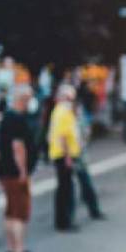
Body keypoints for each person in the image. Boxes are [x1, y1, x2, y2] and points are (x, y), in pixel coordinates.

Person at [0, 86, 40, 252]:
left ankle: (12, 249)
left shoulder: (8, 117)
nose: (30, 102)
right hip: (14, 173)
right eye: (28, 98)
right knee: (19, 212)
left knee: (10, 210)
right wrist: (22, 171)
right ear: (22, 99)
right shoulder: (17, 119)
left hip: (6, 170)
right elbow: (18, 147)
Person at [47, 85, 82, 231]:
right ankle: (64, 222)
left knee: (64, 188)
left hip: (60, 154)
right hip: (63, 155)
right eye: (69, 98)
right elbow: (63, 136)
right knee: (65, 190)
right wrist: (67, 156)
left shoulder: (58, 110)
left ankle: (63, 220)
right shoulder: (63, 112)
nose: (71, 101)